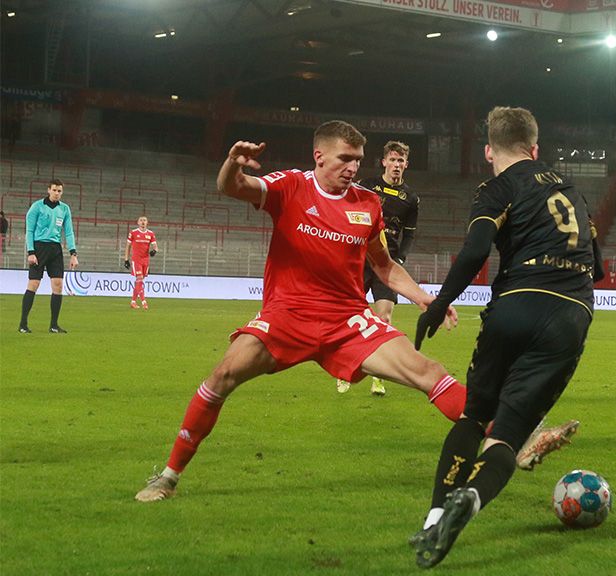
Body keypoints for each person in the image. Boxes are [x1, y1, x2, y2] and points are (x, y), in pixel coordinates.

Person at [134, 121, 575, 503]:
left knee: (428, 371)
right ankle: (169, 476)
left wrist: (426, 299)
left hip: (348, 320)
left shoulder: (368, 204)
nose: (353, 167)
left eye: (358, 160)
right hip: (287, 315)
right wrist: (233, 162)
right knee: (221, 378)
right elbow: (233, 187)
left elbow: (383, 265)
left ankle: (516, 438)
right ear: (319, 155)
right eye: (345, 158)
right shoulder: (291, 186)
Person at [410, 106, 601, 569]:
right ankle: (471, 499)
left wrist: (438, 305)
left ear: (488, 151)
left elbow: (476, 249)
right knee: (508, 438)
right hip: (570, 314)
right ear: (536, 148)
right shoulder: (572, 190)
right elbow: (596, 256)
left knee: (475, 419)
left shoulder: (497, 187)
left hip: (515, 303)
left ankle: (435, 516)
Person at [337, 140, 419, 396]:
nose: (396, 165)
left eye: (401, 161)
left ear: (406, 164)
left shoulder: (411, 198)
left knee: (383, 319)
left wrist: (401, 259)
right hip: (359, 260)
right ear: (384, 161)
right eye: (392, 160)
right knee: (349, 318)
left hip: (387, 264)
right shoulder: (366, 186)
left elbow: (410, 234)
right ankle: (344, 371)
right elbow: (345, 211)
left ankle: (377, 377)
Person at [19, 179, 78, 334]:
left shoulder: (64, 209)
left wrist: (73, 253)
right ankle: (23, 324)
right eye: (54, 190)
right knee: (34, 284)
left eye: (60, 191)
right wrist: (31, 252)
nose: (57, 193)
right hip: (39, 248)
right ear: (48, 190)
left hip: (55, 249)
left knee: (58, 285)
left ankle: (54, 325)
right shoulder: (37, 207)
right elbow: (29, 231)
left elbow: (69, 232)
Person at [124, 215, 159, 309]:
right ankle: (144, 302)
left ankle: (133, 302)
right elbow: (128, 246)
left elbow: (155, 246)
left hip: (146, 260)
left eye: (144, 220)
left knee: (139, 281)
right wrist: (126, 259)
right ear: (138, 222)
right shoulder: (133, 233)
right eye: (141, 220)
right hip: (136, 260)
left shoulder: (151, 234)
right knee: (139, 279)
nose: (143, 222)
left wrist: (154, 251)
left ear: (147, 222)